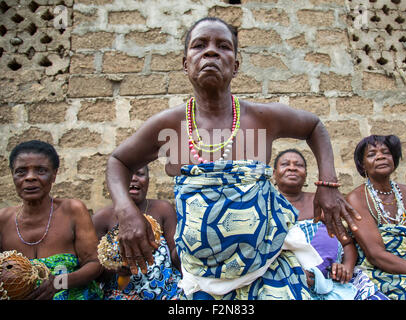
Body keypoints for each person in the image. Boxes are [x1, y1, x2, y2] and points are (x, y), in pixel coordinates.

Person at [105, 17, 361, 300]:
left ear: (236, 65)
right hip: (203, 279)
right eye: (199, 45)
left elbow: (314, 126)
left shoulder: (261, 118)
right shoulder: (169, 126)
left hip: (269, 269)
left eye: (223, 46)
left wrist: (328, 183)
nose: (211, 52)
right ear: (185, 63)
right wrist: (126, 211)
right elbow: (118, 161)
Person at [274, 148, 388, 300]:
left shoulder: (321, 202)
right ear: (274, 173)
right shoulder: (267, 205)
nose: (292, 167)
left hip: (332, 280)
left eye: (299, 165)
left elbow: (346, 244)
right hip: (284, 278)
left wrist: (346, 267)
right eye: (285, 164)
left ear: (306, 174)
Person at [0, 140, 103, 300]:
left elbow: (94, 263)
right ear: (13, 176)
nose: (30, 178)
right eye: (21, 172)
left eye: (41, 171)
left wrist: (59, 283)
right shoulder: (3, 219)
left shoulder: (72, 210)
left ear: (54, 175)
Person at [346, 134, 406, 300]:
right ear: (362, 165)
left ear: (394, 159)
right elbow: (376, 255)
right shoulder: (357, 198)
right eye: (372, 154)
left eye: (386, 152)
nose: (380, 156)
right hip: (378, 273)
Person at [92, 166, 181, 300]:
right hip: (120, 295)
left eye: (140, 174)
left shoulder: (163, 210)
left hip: (167, 293)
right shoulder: (102, 219)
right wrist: (115, 269)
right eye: (128, 174)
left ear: (148, 180)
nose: (134, 178)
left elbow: (176, 257)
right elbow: (95, 271)